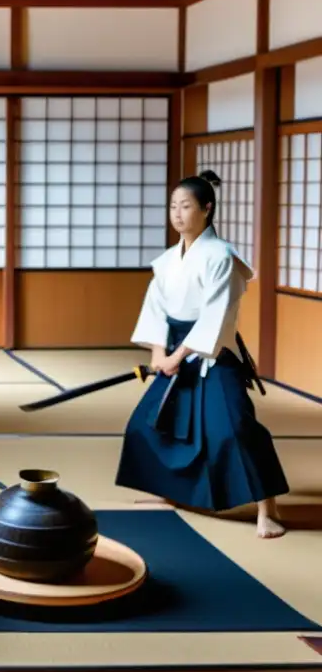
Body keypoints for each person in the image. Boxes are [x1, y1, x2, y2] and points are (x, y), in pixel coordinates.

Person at [116, 170, 289, 539]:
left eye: (186, 206)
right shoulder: (166, 261)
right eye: (173, 206)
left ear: (206, 209)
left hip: (211, 353)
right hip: (175, 348)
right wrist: (160, 352)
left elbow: (216, 315)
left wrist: (177, 356)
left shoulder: (220, 256)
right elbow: (155, 309)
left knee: (237, 430)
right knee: (148, 425)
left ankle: (268, 509)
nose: (178, 214)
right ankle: (168, 493)